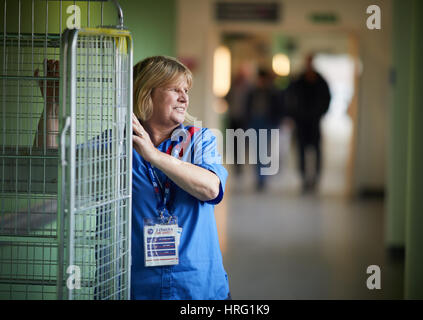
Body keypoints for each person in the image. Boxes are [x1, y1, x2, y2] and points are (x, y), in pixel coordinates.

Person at [35, 56, 231, 300]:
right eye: (174, 89)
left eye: (186, 90)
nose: (184, 98)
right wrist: (52, 105)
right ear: (146, 93)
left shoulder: (199, 139)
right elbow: (51, 173)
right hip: (131, 288)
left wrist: (153, 156)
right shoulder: (114, 145)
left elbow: (211, 188)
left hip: (197, 289)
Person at [287, 54, 330, 193]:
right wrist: (294, 115)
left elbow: (327, 98)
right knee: (301, 150)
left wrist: (320, 112)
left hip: (314, 121)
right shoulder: (298, 80)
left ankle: (316, 176)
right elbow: (290, 97)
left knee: (316, 150)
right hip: (301, 122)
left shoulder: (320, 80)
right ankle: (304, 177)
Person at [245, 68, 282, 191]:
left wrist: (275, 122)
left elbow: (278, 109)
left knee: (264, 151)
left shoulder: (272, 92)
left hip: (267, 123)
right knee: (256, 150)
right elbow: (247, 108)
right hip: (255, 122)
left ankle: (263, 178)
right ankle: (259, 177)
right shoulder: (252, 92)